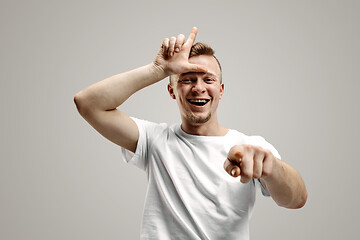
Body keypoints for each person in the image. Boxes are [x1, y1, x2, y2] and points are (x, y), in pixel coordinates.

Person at [74, 27, 307, 240]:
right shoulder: (153, 139)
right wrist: (157, 69)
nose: (199, 87)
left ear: (221, 90)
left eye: (208, 79)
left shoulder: (250, 146)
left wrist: (271, 168)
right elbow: (87, 103)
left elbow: (297, 199)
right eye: (187, 79)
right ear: (172, 90)